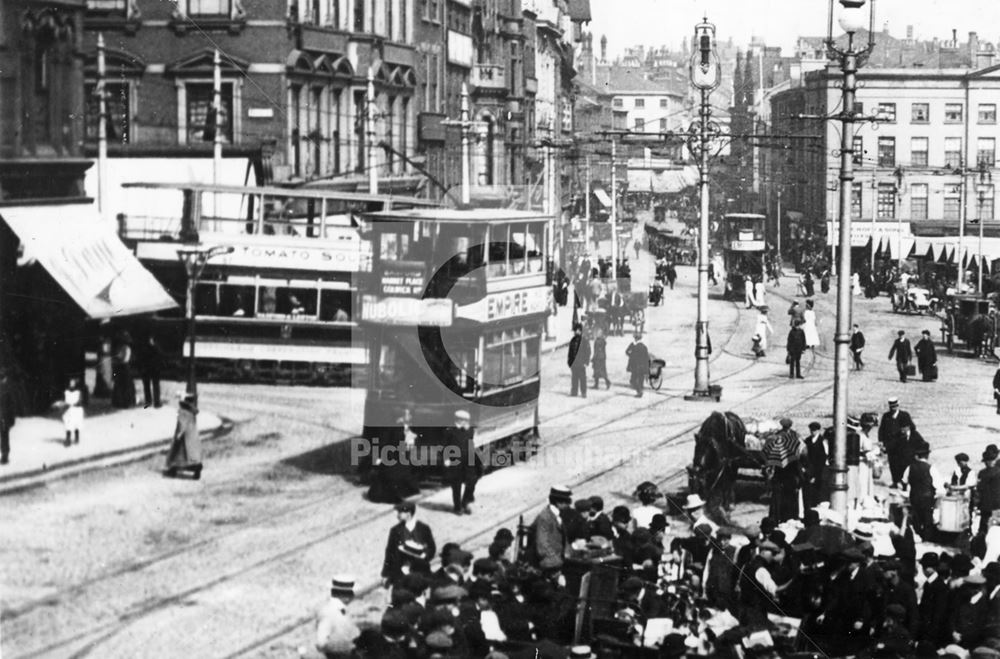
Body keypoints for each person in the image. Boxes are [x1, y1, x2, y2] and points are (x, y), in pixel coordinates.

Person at [381, 502, 436, 587]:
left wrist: (425, 555)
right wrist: (385, 574)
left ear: (408, 513)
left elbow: (432, 548)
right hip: (401, 571)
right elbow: (389, 552)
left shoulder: (423, 528)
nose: (398, 515)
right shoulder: (395, 530)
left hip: (420, 570)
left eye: (400, 513)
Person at [901, 441, 944, 540]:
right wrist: (936, 496)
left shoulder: (910, 467)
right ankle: (926, 538)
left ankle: (917, 535)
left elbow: (904, 480)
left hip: (914, 496)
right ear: (927, 455)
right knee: (927, 519)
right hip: (927, 497)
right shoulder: (931, 468)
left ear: (917, 456)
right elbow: (939, 486)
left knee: (916, 517)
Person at [765, 418, 803, 522]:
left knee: (777, 499)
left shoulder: (776, 437)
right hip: (790, 475)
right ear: (790, 426)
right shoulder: (794, 438)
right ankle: (789, 518)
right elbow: (798, 458)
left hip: (779, 473)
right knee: (790, 498)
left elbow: (771, 458)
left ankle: (777, 518)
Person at [527, 485, 572, 573]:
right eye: (567, 501)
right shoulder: (545, 517)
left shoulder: (557, 515)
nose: (568, 505)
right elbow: (542, 544)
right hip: (548, 566)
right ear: (559, 502)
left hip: (557, 562)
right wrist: (556, 561)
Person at [444, 410, 480, 515]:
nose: (467, 422)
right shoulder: (449, 430)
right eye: (465, 420)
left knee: (472, 481)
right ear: (459, 420)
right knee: (456, 485)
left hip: (468, 460)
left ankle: (465, 502)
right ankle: (457, 507)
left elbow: (471, 444)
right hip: (455, 461)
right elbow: (445, 446)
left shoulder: (469, 430)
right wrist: (446, 459)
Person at [315, 576, 361, 658]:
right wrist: (341, 647)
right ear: (346, 595)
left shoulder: (342, 610)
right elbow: (321, 643)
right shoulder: (328, 612)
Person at [164, 393, 202, 479]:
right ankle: (196, 467)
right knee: (192, 453)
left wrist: (179, 434)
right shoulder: (191, 412)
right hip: (192, 434)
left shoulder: (183, 412)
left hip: (184, 436)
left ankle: (173, 469)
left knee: (179, 453)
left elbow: (182, 424)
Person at [802, 421, 830, 509]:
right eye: (811, 430)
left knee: (819, 485)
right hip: (810, 466)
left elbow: (824, 457)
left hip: (820, 468)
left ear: (818, 430)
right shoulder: (808, 440)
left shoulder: (823, 441)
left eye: (814, 430)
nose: (812, 432)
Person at [978, 445, 1000, 537]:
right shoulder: (998, 471)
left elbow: (979, 489)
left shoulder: (982, 473)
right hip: (997, 505)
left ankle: (981, 544)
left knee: (984, 526)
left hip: (985, 504)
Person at [137, 335, 164, 409]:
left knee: (148, 386)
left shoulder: (146, 348)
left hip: (148, 369)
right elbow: (160, 356)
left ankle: (150, 402)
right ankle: (156, 402)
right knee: (153, 386)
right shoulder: (155, 348)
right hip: (152, 369)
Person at [111, 331, 136, 409]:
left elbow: (125, 359)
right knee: (121, 385)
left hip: (123, 367)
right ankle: (121, 402)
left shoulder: (126, 348)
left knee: (124, 385)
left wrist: (117, 359)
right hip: (121, 367)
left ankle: (125, 402)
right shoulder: (121, 347)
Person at [567, 324, 590, 398]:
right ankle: (574, 391)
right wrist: (569, 361)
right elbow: (570, 351)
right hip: (574, 363)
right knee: (574, 378)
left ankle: (584, 392)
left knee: (582, 378)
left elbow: (588, 352)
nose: (575, 332)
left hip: (581, 363)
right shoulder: (572, 340)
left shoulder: (584, 340)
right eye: (574, 331)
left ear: (580, 331)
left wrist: (586, 362)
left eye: (576, 331)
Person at [625, 332, 649, 397]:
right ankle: (640, 390)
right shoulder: (644, 347)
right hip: (642, 366)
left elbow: (627, 352)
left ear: (635, 338)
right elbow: (646, 358)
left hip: (635, 365)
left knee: (634, 380)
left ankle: (639, 391)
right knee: (640, 379)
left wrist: (631, 355)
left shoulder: (633, 345)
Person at [62, 377, 84, 447]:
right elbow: (65, 400)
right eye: (70, 383)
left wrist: (74, 404)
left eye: (73, 383)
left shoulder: (78, 392)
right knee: (68, 424)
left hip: (76, 410)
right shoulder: (66, 392)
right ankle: (68, 439)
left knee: (76, 424)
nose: (71, 384)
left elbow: (80, 401)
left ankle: (76, 438)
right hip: (69, 410)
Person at [0, 371, 14, 465]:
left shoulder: (7, 390)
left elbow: (11, 405)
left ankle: (5, 455)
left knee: (4, 436)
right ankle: (5, 455)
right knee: (5, 436)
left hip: (4, 416)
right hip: (4, 416)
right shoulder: (7, 390)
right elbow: (11, 406)